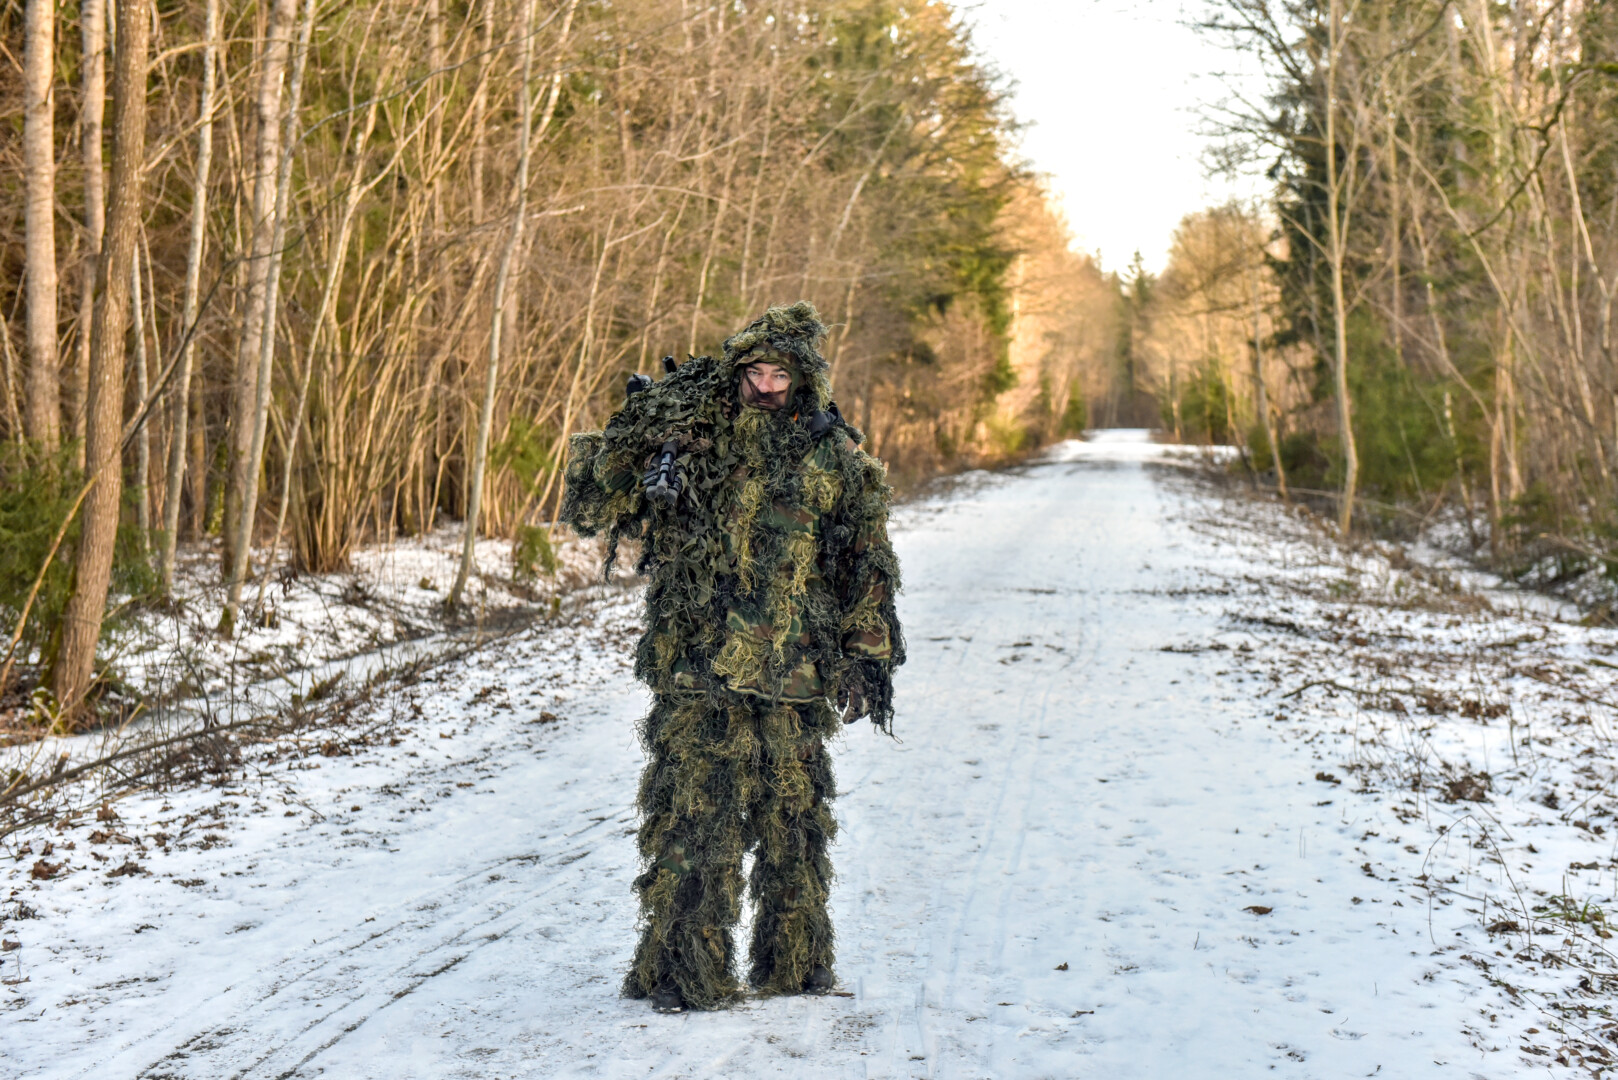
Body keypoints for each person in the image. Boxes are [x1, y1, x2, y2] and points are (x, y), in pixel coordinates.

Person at [561, 301, 904, 1013]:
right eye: (757, 371)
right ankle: (684, 974)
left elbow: (866, 561)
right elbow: (592, 503)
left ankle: (795, 964)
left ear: (803, 379)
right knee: (692, 823)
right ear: (738, 371)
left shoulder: (832, 454)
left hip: (795, 668)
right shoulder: (690, 438)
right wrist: (639, 458)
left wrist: (865, 655)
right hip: (699, 667)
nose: (769, 386)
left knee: (794, 824)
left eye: (783, 374)